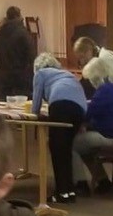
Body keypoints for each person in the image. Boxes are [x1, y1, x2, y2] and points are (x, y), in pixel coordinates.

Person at [72, 57, 113, 195]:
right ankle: (103, 181)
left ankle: (81, 184)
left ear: (95, 76)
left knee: (73, 144)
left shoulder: (104, 90)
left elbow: (88, 114)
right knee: (85, 146)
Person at [31, 52, 86, 205]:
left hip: (61, 106)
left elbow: (36, 102)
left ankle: (62, 192)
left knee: (56, 149)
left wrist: (34, 115)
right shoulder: (67, 75)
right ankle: (69, 190)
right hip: (80, 111)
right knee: (66, 149)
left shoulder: (41, 74)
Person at [0, 6, 35, 98]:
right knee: (21, 103)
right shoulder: (23, 32)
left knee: (4, 101)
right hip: (21, 76)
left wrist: (0, 67)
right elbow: (31, 54)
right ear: (18, 16)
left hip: (4, 74)